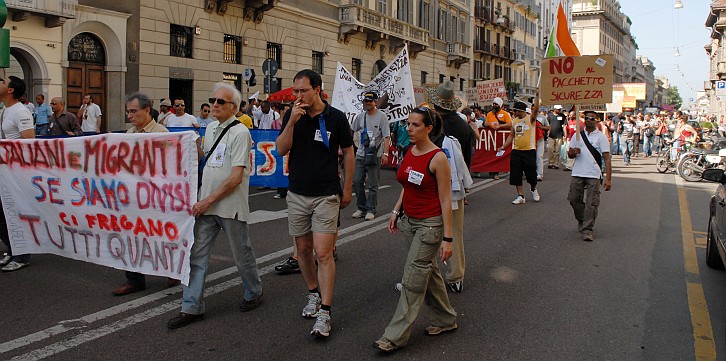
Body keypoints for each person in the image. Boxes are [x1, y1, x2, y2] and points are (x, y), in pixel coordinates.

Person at [167, 82, 264, 329]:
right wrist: (191, 144)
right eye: (213, 100)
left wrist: (207, 200)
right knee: (196, 256)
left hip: (227, 205)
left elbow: (235, 177)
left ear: (233, 107)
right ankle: (191, 307)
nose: (214, 105)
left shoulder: (241, 132)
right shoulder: (210, 129)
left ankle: (253, 291)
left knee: (241, 254)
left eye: (220, 102)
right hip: (207, 205)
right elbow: (206, 159)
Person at [275, 69, 354, 338]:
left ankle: (326, 312)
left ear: (317, 89)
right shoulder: (292, 114)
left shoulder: (336, 117)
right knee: (303, 250)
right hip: (297, 193)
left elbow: (348, 152)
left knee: (324, 253)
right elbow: (281, 149)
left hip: (326, 195)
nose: (297, 96)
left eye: (302, 91)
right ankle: (313, 294)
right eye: (295, 91)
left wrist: (347, 188)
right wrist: (291, 122)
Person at [373, 106, 456, 352]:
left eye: (415, 125)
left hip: (430, 226)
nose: (408, 128)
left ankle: (394, 336)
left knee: (412, 279)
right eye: (408, 124)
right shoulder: (410, 150)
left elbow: (445, 201)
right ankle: (445, 319)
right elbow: (407, 184)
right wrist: (396, 211)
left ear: (428, 128)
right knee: (427, 272)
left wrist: (448, 239)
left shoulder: (438, 157)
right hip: (409, 222)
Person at [111, 92, 173, 296]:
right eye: (128, 111)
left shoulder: (162, 133)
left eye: (133, 111)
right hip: (132, 196)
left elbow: (169, 166)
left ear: (147, 110)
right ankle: (134, 279)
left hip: (155, 196)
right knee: (131, 236)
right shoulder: (129, 134)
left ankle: (173, 270)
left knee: (160, 236)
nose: (129, 115)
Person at [0, 76, 35, 272]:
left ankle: (21, 255)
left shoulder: (21, 111)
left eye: (3, 81)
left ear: (11, 90)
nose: (0, 83)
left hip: (14, 171)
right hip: (4, 169)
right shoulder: (6, 109)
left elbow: (29, 144)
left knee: (13, 211)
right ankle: (13, 249)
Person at [566, 110, 612, 242]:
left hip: (593, 174)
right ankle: (582, 219)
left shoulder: (601, 137)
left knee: (592, 203)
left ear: (597, 120)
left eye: (592, 118)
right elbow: (570, 154)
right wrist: (573, 152)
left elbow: (607, 159)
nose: (589, 120)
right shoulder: (577, 135)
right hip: (578, 172)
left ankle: (587, 229)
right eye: (587, 118)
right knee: (573, 199)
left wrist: (608, 179)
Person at [351, 91, 390, 221]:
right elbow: (352, 130)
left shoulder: (382, 116)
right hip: (361, 154)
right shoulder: (360, 116)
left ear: (375, 102)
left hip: (374, 155)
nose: (367, 103)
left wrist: (385, 153)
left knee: (373, 184)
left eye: (370, 101)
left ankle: (371, 209)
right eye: (365, 101)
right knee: (356, 181)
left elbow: (386, 136)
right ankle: (361, 207)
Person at [497, 98, 540, 205]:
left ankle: (533, 188)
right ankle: (521, 195)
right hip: (516, 151)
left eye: (514, 111)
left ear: (520, 111)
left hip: (529, 151)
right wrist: (503, 146)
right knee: (516, 174)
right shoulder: (514, 121)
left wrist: (537, 95)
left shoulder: (531, 119)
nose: (513, 113)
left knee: (531, 174)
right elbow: (511, 135)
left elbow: (535, 110)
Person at [485, 97, 512, 180]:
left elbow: (509, 124)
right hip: (491, 138)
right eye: (493, 104)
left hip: (501, 139)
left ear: (500, 105)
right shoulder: (489, 114)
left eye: (496, 104)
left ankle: (496, 172)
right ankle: (491, 171)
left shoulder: (505, 114)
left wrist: (500, 126)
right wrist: (490, 124)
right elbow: (485, 124)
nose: (494, 105)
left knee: (498, 154)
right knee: (491, 155)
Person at [546, 105, 566, 169]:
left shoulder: (562, 115)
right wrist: (547, 132)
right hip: (551, 135)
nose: (559, 110)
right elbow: (547, 124)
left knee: (558, 150)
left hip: (559, 135)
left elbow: (564, 125)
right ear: (554, 109)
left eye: (560, 109)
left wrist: (565, 134)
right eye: (558, 109)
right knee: (550, 149)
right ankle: (551, 162)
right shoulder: (550, 115)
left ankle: (556, 163)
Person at [535, 111, 550, 181]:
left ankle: (539, 174)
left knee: (539, 156)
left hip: (540, 139)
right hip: (531, 140)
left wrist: (540, 127)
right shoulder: (528, 117)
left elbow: (548, 127)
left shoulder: (542, 117)